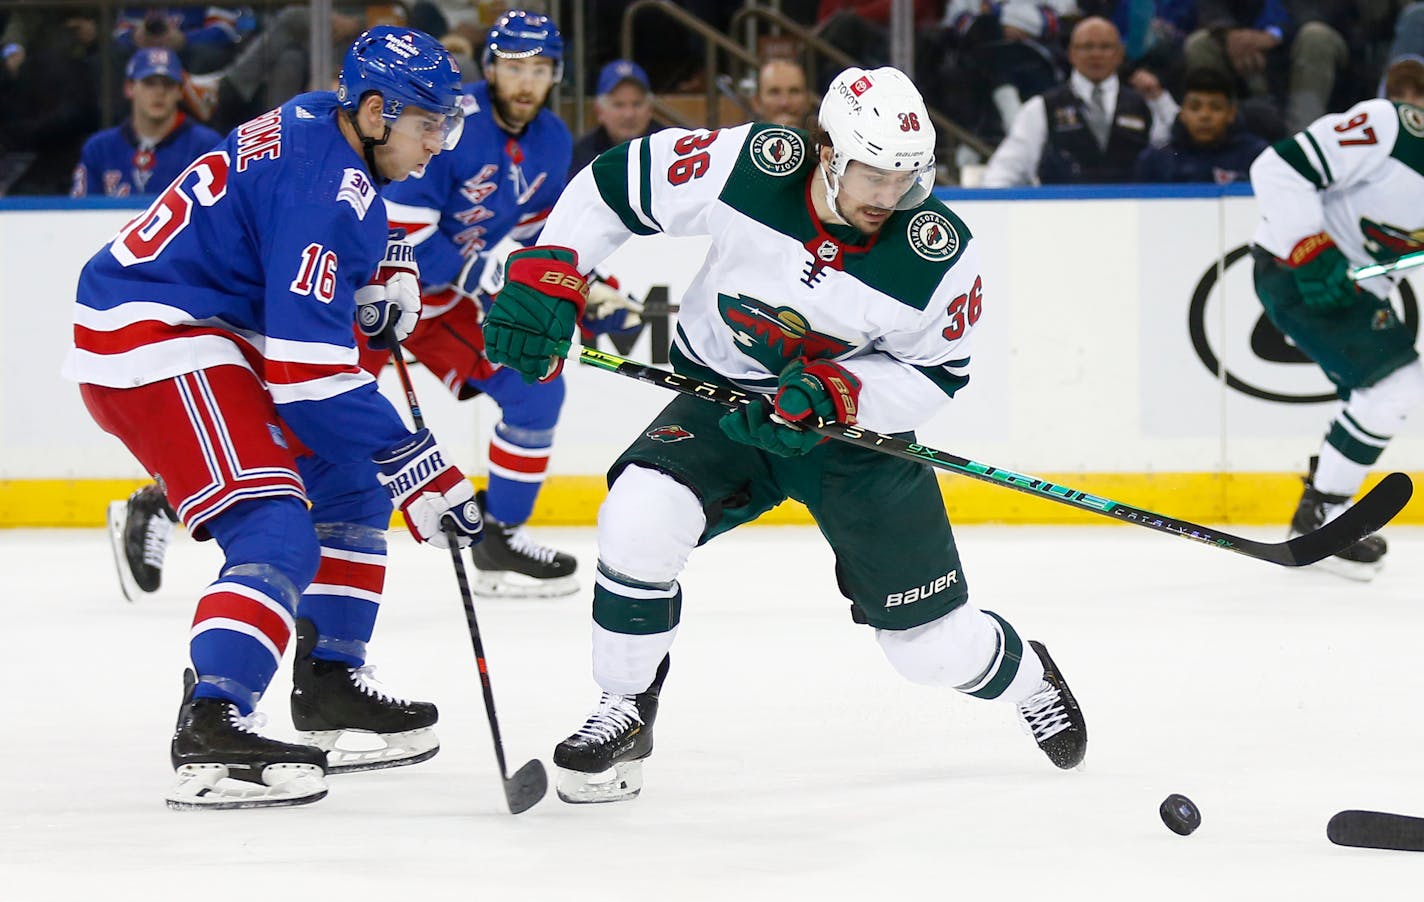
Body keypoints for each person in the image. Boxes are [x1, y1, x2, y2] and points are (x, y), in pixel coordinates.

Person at [481, 65, 1089, 803]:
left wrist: (840, 392)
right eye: (873, 175)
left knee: (928, 651)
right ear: (827, 153)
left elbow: (936, 374)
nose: (890, 197)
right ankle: (626, 705)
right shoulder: (752, 165)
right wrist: (554, 270)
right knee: (638, 515)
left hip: (850, 441)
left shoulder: (938, 252)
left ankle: (1030, 676)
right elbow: (615, 182)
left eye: (908, 177)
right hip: (721, 403)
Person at [64, 26, 481, 810]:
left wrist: (386, 262)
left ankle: (329, 686)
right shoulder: (326, 181)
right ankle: (213, 723)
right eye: (430, 123)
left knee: (350, 478)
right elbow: (308, 378)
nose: (439, 144)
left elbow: (313, 218)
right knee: (277, 531)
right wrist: (418, 460)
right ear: (377, 110)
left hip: (211, 325)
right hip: (156, 335)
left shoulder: (324, 120)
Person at [384, 10, 636, 598]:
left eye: (540, 69)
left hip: (440, 303)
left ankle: (498, 537)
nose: (526, 82)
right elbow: (402, 235)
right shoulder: (445, 122)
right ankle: (172, 501)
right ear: (491, 67)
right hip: (371, 286)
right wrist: (480, 274)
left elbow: (540, 238)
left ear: (557, 75)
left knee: (534, 386)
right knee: (310, 405)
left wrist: (587, 283)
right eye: (515, 67)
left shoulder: (551, 140)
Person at [1248, 95, 1424, 581]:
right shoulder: (1393, 129)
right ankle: (1326, 506)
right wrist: (1311, 246)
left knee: (1380, 393)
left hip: (1359, 292)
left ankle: (1321, 500)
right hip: (1294, 271)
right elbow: (1277, 167)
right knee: (1395, 386)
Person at [983, 16, 1179, 186]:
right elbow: (1005, 170)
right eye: (1087, 47)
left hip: (1132, 213)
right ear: (1071, 54)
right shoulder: (1041, 107)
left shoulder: (1145, 104)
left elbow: (1178, 146)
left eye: (1105, 47)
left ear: (1120, 54)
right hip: (1061, 215)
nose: (1096, 54)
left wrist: (1160, 99)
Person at [72, 48, 222, 198]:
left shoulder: (206, 146)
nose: (159, 92)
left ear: (180, 91)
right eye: (149, 83)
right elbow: (79, 213)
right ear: (129, 88)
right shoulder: (99, 148)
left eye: (168, 84)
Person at [1134, 66, 1268, 183]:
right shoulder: (1155, 161)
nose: (1205, 115)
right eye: (1195, 107)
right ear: (1182, 113)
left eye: (1215, 107)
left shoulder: (1257, 157)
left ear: (1231, 113)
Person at [570, 59, 657, 176]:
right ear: (599, 111)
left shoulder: (668, 146)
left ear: (650, 109)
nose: (629, 114)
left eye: (637, 104)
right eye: (619, 105)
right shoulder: (581, 155)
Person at [750, 57, 811, 129]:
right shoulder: (739, 139)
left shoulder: (824, 139)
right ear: (757, 102)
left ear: (808, 100)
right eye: (774, 92)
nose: (785, 103)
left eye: (794, 92)